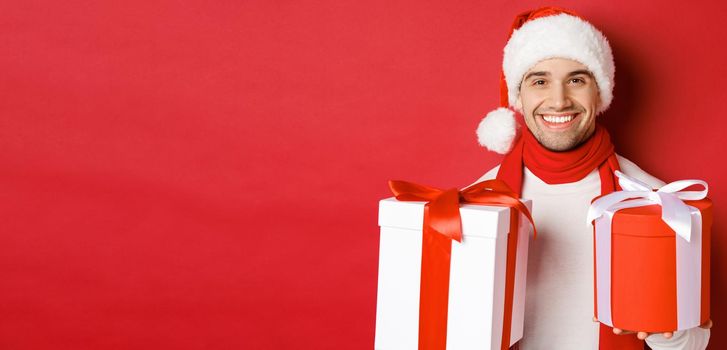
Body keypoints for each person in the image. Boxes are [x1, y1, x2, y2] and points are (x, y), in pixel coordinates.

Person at [472, 7, 712, 350]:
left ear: (599, 92)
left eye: (576, 79)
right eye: (540, 81)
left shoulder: (658, 204)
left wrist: (665, 331)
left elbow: (695, 343)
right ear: (518, 97)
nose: (558, 101)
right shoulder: (472, 207)